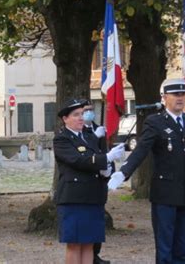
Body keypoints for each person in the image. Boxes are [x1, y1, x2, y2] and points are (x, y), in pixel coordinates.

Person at [108, 78, 185, 264]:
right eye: (175, 94)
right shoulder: (156, 122)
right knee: (165, 249)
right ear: (164, 97)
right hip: (165, 194)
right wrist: (123, 172)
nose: (180, 98)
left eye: (182, 94)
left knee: (184, 248)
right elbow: (142, 149)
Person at [54, 99, 125, 264]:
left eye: (82, 114)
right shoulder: (62, 139)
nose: (81, 118)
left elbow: (98, 158)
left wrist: (106, 170)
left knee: (88, 244)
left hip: (94, 196)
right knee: (74, 244)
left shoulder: (89, 136)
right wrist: (106, 158)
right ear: (65, 119)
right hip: (74, 198)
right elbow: (79, 161)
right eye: (76, 115)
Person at [82, 102, 111, 264]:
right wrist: (95, 137)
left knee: (98, 219)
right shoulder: (80, 132)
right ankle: (89, 254)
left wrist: (109, 170)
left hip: (100, 179)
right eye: (86, 111)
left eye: (91, 110)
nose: (89, 113)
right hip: (87, 180)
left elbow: (105, 152)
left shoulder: (99, 128)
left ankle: (96, 253)